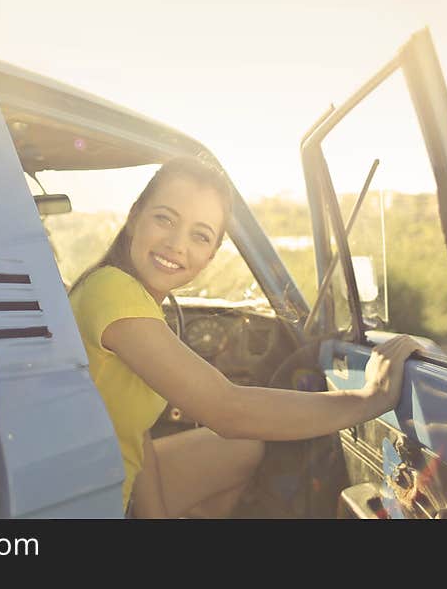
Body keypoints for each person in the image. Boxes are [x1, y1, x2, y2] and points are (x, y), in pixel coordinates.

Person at [68, 156, 422, 518]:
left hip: (94, 481)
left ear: (210, 255)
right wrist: (369, 399)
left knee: (242, 449)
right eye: (164, 218)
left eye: (200, 235)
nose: (177, 244)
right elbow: (227, 410)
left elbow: (134, 433)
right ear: (133, 217)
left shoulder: (128, 296)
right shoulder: (113, 291)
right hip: (76, 502)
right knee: (240, 436)